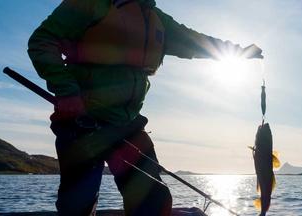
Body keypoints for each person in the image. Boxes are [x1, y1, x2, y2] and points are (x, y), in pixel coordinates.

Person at [28, 0, 263, 215]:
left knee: (153, 201)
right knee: (78, 204)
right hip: (82, 123)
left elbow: (194, 41)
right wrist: (67, 91)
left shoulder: (157, 18)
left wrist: (240, 52)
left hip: (127, 124)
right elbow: (41, 41)